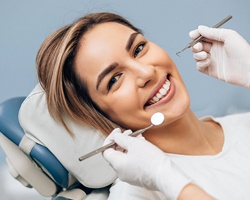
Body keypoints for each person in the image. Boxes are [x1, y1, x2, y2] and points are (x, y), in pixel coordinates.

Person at [36, 12, 250, 200]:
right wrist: (165, 178)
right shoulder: (137, 192)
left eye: (138, 48)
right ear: (96, 113)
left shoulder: (243, 124)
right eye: (114, 79)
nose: (146, 73)